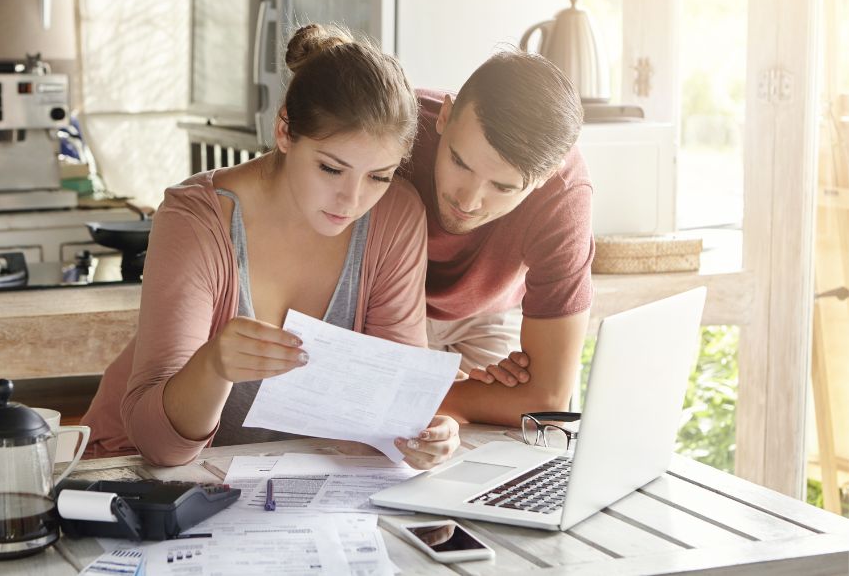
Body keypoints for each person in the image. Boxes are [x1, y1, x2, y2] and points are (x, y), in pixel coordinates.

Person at [81, 24, 459, 469]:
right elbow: (159, 448)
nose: (352, 200)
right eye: (331, 169)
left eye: (378, 176)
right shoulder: (196, 219)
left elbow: (385, 411)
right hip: (138, 477)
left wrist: (422, 434)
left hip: (281, 488)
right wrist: (213, 367)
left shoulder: (395, 216)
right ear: (284, 131)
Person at [405, 51, 593, 427]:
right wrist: (460, 397)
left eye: (503, 186)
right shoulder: (395, 126)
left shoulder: (564, 196)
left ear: (546, 177)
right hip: (383, 308)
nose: (467, 201)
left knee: (508, 448)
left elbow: (548, 402)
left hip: (486, 316)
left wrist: (417, 394)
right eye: (460, 162)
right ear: (444, 116)